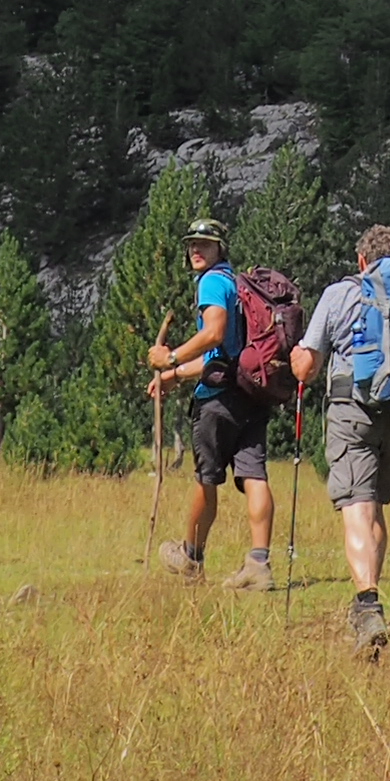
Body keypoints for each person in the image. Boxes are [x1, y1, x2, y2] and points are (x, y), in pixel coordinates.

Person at [292, 223, 390, 655]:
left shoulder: (343, 293)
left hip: (354, 409)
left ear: (363, 260)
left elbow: (307, 367)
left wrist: (295, 358)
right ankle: (368, 601)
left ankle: (367, 604)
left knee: (358, 507)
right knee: (376, 504)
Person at [141, 215, 274, 590]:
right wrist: (175, 376)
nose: (196, 250)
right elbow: (222, 353)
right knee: (254, 475)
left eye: (205, 244)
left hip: (217, 402)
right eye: (192, 245)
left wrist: (170, 359)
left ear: (220, 249)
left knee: (207, 479)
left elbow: (213, 332)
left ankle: (190, 558)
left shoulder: (213, 283)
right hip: (251, 392)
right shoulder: (238, 284)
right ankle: (259, 563)